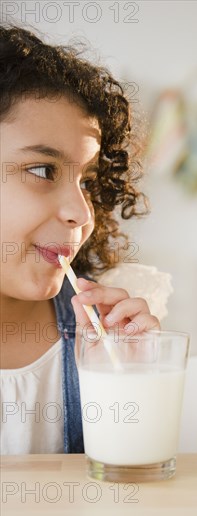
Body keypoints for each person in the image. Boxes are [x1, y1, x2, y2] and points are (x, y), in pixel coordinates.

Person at [0, 25, 160, 454]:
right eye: (42, 170)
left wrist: (130, 383)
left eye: (87, 181)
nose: (82, 212)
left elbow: (129, 491)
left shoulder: (100, 335)